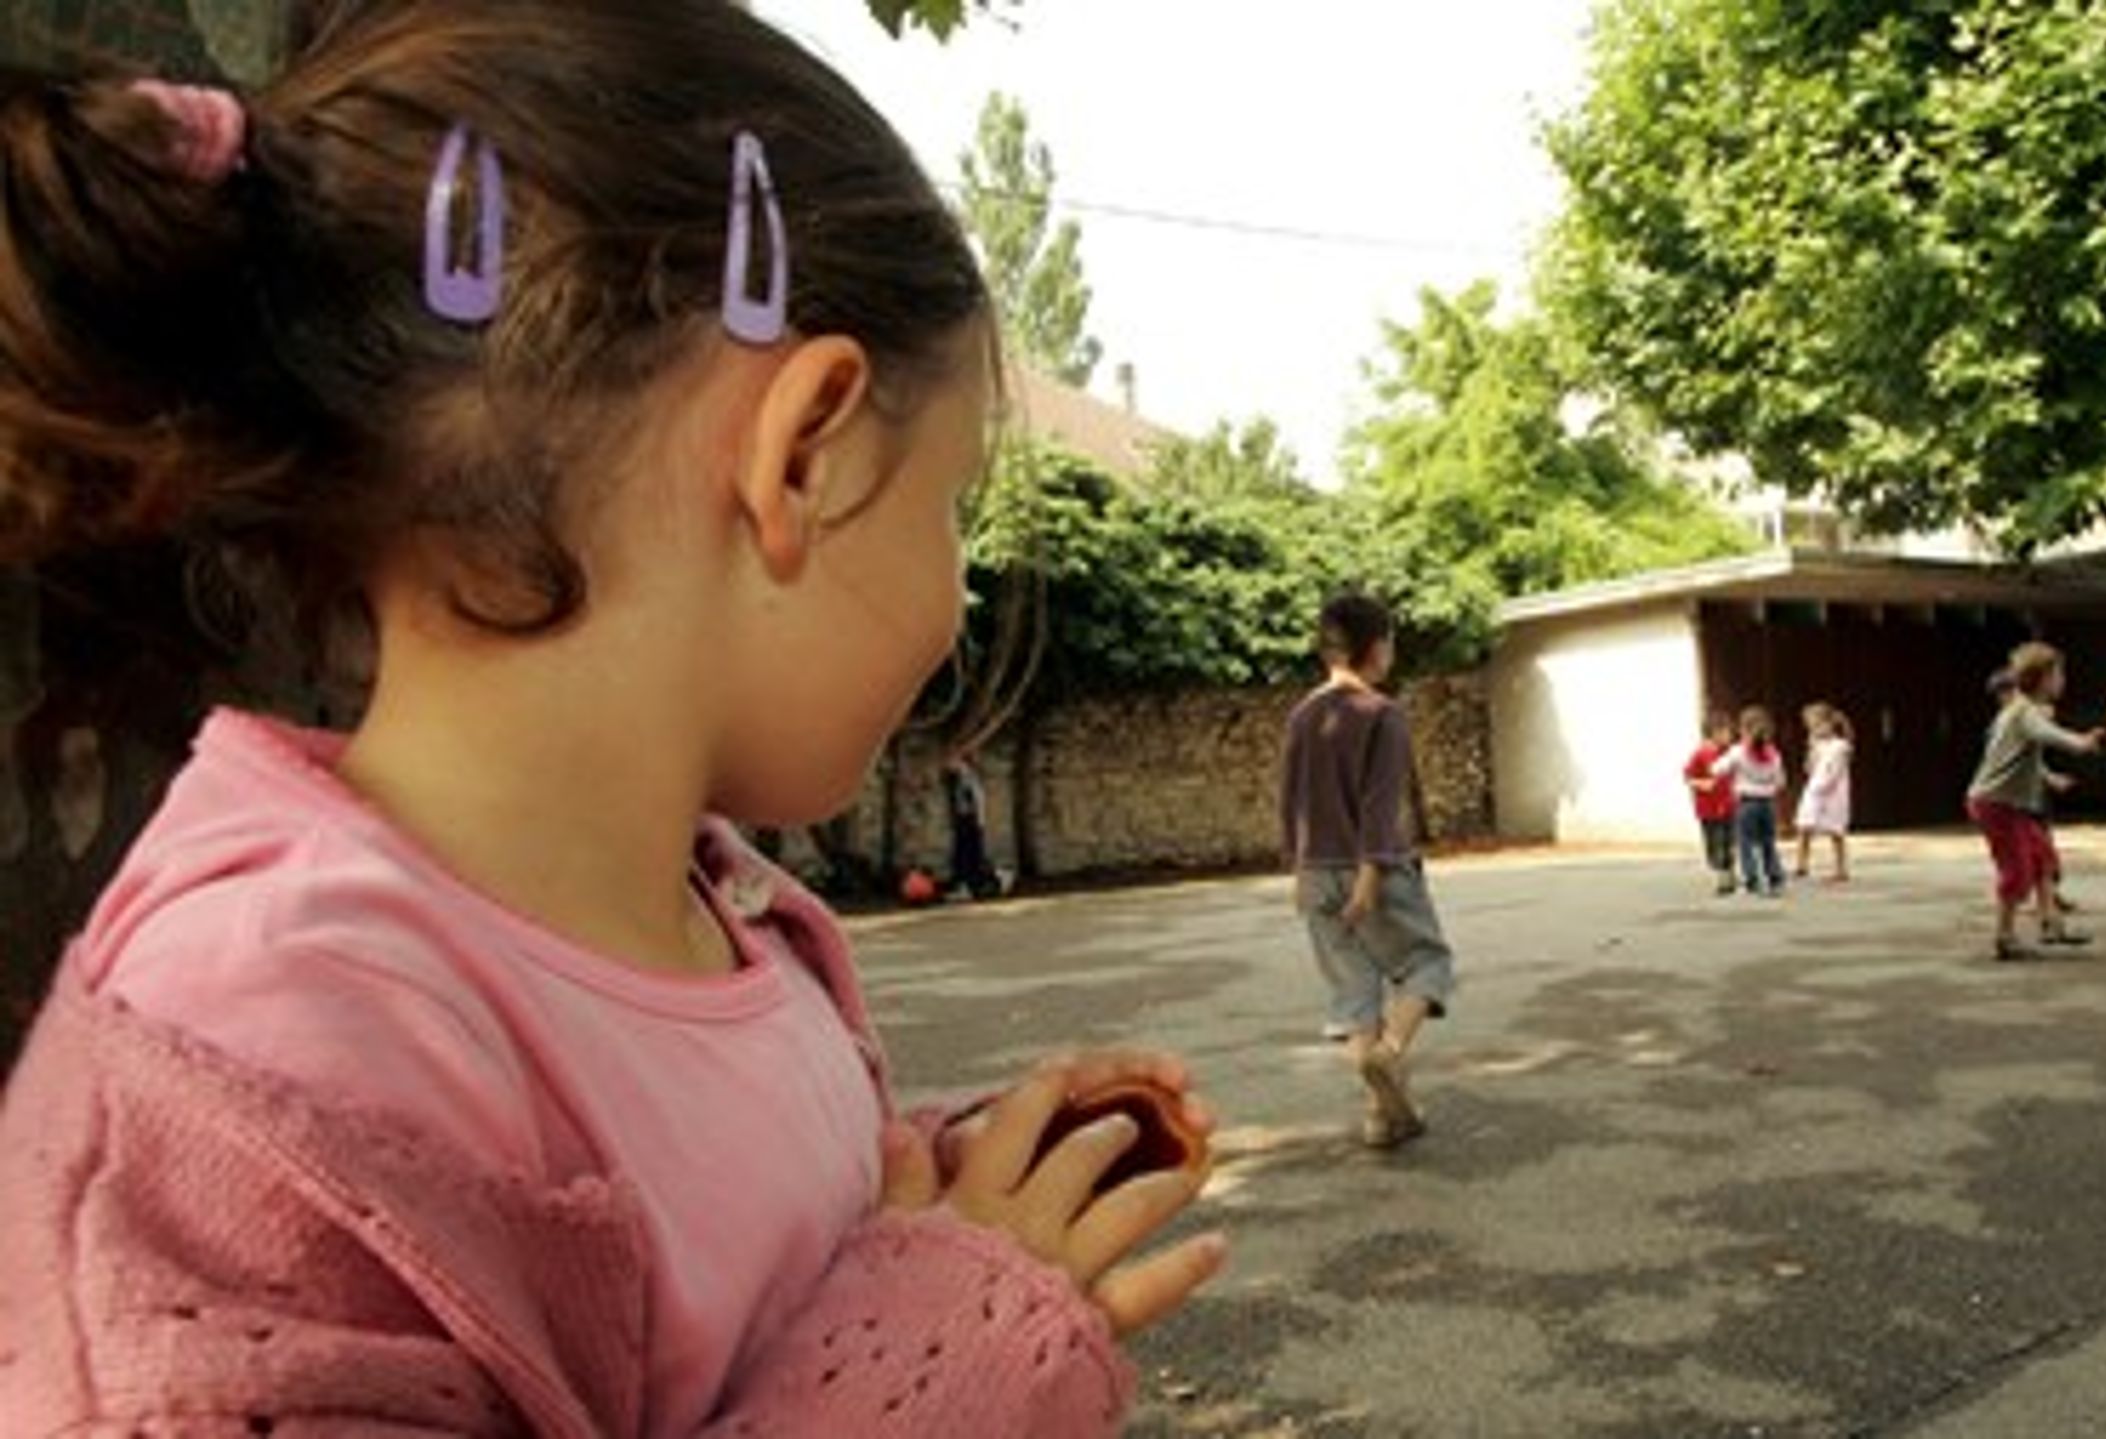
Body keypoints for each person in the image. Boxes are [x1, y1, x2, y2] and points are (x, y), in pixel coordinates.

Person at [0, 7, 1223, 1432]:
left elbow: (719, 1298)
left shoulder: (723, 915)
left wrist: (946, 1212)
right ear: (805, 451)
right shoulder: (262, 1059)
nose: (957, 594)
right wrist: (941, 1362)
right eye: (948, 501)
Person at [1280, 592, 1457, 1149]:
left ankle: (1381, 1117)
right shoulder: (1382, 714)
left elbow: (1291, 802)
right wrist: (1370, 874)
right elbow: (1380, 803)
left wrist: (1297, 870)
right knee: (1427, 962)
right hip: (1370, 868)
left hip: (1315, 872)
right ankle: (1390, 1053)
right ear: (1378, 648)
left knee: (1353, 990)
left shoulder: (1302, 715)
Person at [1966, 643, 2106, 960]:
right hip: (1997, 803)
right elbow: (2048, 735)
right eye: (2058, 674)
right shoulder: (2024, 713)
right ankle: (2005, 936)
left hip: (2010, 803)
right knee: (2016, 868)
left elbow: (2019, 754)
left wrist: (2049, 777)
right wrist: (2082, 743)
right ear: (2042, 678)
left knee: (2043, 856)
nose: (2062, 680)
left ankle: (2050, 922)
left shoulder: (2018, 711)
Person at [1713, 705, 1789, 896]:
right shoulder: (1773, 754)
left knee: (1745, 843)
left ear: (1743, 730)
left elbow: (1717, 769)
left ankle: (1752, 880)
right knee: (1768, 842)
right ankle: (1775, 878)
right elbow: (1781, 781)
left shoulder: (1738, 752)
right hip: (1767, 803)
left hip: (1747, 803)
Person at [1792, 702, 1854, 882]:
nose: (1814, 730)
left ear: (1829, 724)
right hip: (1814, 790)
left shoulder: (1840, 746)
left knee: (1836, 830)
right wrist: (1811, 751)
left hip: (1833, 792)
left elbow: (1835, 771)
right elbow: (1808, 768)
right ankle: (1802, 864)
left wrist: (1823, 785)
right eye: (1811, 727)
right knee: (1804, 825)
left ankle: (1841, 868)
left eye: (1817, 725)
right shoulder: (1816, 746)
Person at [1683, 710, 1742, 896]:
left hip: (1729, 806)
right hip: (1708, 809)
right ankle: (1720, 868)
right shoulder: (1701, 753)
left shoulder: (1732, 753)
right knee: (1714, 846)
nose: (1728, 736)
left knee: (1728, 842)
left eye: (1729, 732)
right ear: (1713, 733)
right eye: (1724, 732)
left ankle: (1727, 878)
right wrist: (1702, 784)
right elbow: (1688, 776)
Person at [943, 743, 1005, 899]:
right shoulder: (961, 778)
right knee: (966, 855)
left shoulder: (967, 777)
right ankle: (969, 885)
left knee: (969, 855)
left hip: (969, 820)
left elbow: (975, 800)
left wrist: (978, 820)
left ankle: (971, 886)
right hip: (966, 819)